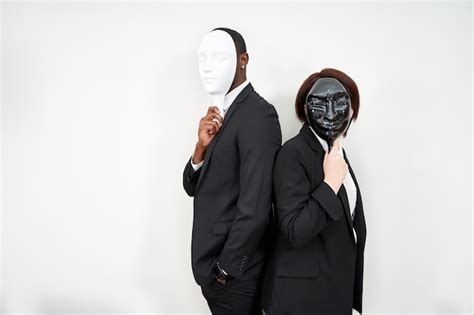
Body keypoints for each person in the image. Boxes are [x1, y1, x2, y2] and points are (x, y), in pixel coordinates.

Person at [182, 27, 282, 314]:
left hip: (237, 275)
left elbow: (256, 208)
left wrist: (225, 271)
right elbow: (192, 186)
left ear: (243, 60)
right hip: (212, 268)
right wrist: (200, 149)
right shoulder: (220, 113)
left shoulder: (258, 114)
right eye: (203, 59)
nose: (208, 68)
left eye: (219, 57)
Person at [261, 68, 367, 315]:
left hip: (331, 295)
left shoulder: (336, 154)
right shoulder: (293, 153)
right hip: (300, 301)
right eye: (320, 103)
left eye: (341, 102)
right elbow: (294, 231)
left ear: (352, 110)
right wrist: (329, 184)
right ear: (306, 110)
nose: (331, 113)